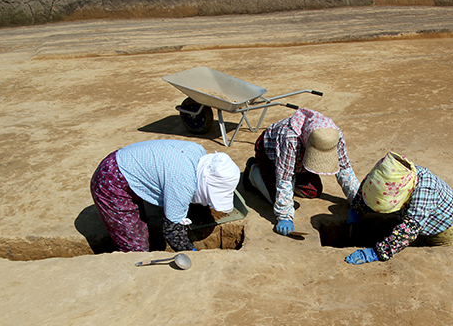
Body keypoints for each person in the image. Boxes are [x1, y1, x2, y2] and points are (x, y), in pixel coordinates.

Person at [91, 139, 240, 252]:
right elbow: (172, 232)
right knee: (136, 248)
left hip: (125, 162)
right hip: (110, 182)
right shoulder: (182, 183)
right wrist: (193, 254)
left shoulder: (198, 153)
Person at [243, 108, 359, 235]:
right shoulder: (290, 139)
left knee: (313, 191)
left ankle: (291, 180)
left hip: (298, 161)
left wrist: (358, 202)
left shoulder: (332, 136)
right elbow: (285, 178)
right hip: (270, 156)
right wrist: (285, 217)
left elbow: (345, 169)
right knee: (275, 198)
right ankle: (252, 170)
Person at [345, 152, 453, 264]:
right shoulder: (385, 173)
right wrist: (357, 210)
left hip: (447, 230)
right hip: (424, 225)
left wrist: (376, 253)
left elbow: (409, 229)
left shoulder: (425, 191)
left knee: (442, 266)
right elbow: (368, 186)